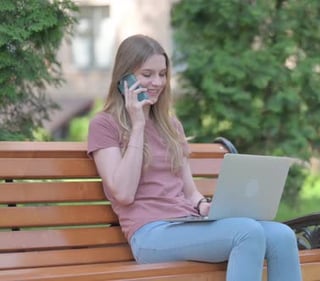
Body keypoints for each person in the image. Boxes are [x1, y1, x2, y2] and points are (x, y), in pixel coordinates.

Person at [87, 34, 302, 281]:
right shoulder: (104, 125)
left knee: (282, 235)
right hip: (150, 234)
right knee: (247, 232)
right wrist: (137, 126)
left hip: (188, 223)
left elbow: (189, 192)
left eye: (162, 74)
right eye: (147, 74)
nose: (157, 82)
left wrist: (204, 206)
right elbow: (123, 194)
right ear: (124, 78)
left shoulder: (171, 126)